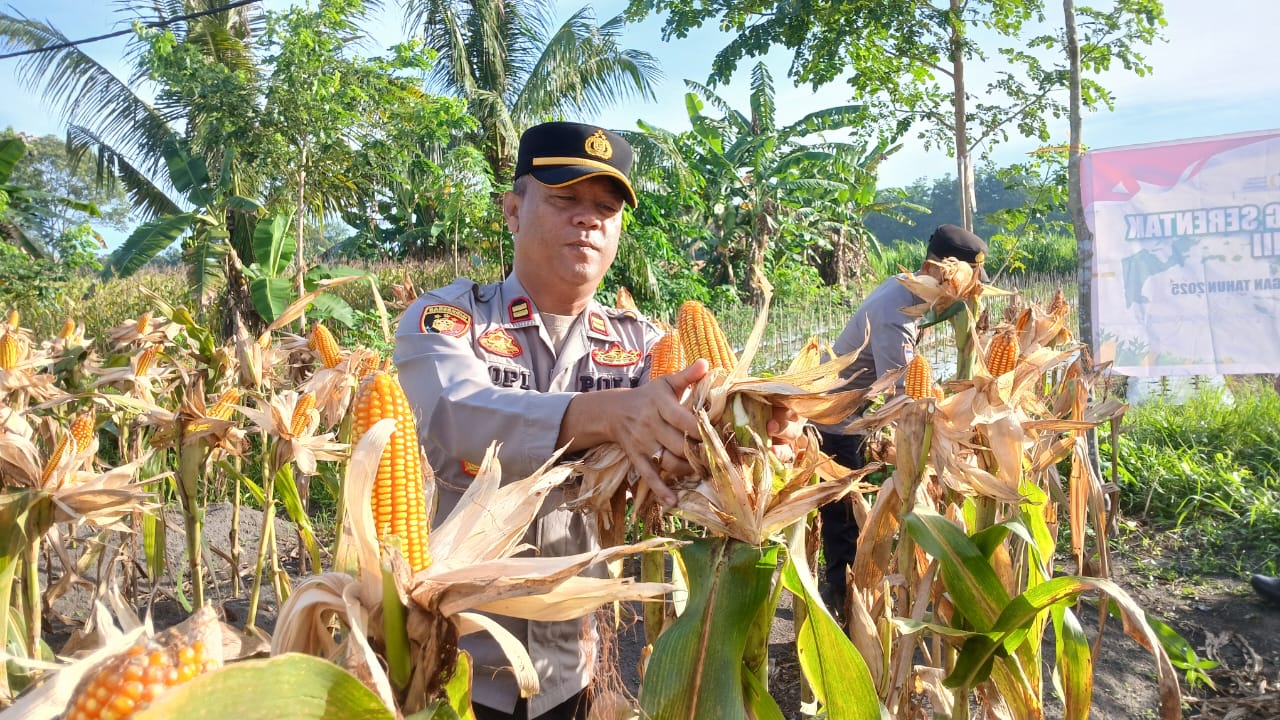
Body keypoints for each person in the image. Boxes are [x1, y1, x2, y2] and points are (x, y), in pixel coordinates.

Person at [394, 121, 800, 719]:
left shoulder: (642, 348)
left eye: (605, 209)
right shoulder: (449, 320)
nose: (587, 220)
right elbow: (456, 416)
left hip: (576, 664)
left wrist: (763, 429)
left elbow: (697, 426)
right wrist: (606, 414)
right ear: (512, 208)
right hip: (460, 664)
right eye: (565, 200)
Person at [814, 224, 990, 614]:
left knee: (849, 510)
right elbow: (904, 399)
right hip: (836, 417)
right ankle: (844, 605)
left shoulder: (904, 290)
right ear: (946, 271)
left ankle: (849, 595)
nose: (969, 291)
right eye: (967, 280)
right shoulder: (897, 311)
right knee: (845, 514)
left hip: (850, 411)